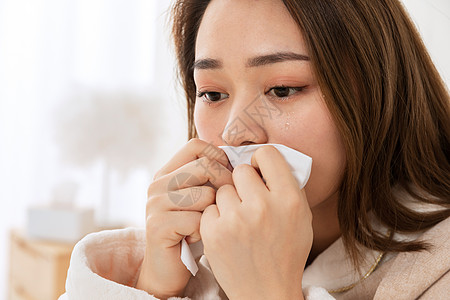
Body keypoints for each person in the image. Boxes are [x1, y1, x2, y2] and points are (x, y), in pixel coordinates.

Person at [59, 0, 450, 299]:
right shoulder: (205, 248)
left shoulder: (437, 267)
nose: (233, 132)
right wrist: (153, 286)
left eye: (281, 89)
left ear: (377, 89)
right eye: (212, 93)